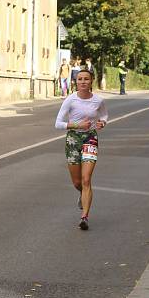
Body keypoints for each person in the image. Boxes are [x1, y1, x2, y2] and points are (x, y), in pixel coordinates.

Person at [55, 67, 108, 230]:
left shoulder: (98, 100)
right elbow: (58, 124)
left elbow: (104, 115)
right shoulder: (70, 100)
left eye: (86, 79)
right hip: (73, 139)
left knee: (86, 179)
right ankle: (82, 194)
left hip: (90, 138)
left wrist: (102, 122)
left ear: (91, 81)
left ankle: (84, 216)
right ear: (76, 82)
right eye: (80, 79)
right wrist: (76, 125)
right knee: (77, 182)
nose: (83, 81)